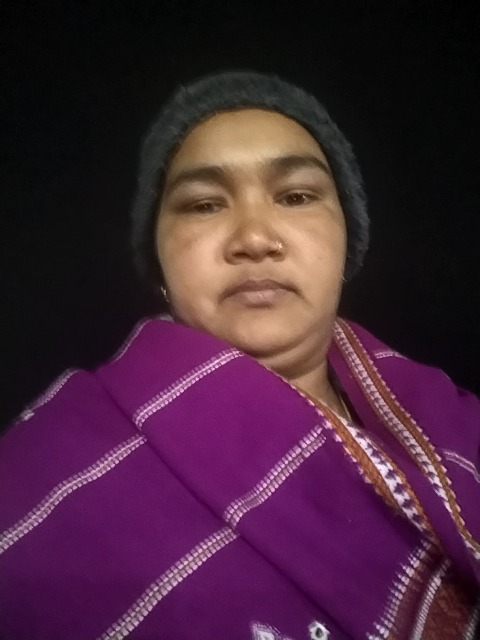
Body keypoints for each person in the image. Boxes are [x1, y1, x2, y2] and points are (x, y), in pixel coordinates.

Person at [1, 71, 479, 640]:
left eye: (296, 196)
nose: (254, 238)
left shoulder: (453, 422)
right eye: (204, 205)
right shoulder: (42, 479)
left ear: (347, 240)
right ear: (159, 262)